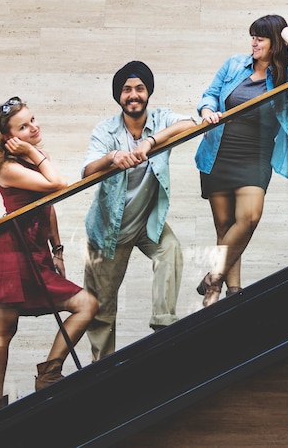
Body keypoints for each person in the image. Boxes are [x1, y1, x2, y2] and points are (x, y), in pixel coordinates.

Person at [0, 97, 98, 417]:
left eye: (33, 120)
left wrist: (58, 250)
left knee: (87, 305)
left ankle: (49, 373)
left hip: (35, 252)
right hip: (10, 254)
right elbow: (59, 185)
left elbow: (48, 203)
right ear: (7, 137)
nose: (33, 127)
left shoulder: (31, 163)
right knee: (2, 331)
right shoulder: (9, 168)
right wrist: (34, 153)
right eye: (23, 126)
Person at [195, 14, 288, 306]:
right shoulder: (235, 64)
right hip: (219, 152)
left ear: (274, 42)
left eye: (260, 38)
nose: (253, 43)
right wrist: (206, 112)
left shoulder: (286, 74)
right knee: (225, 226)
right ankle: (226, 293)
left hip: (256, 157)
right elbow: (210, 95)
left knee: (248, 218)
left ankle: (214, 275)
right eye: (253, 37)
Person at [82, 61, 196, 360]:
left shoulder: (160, 120)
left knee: (170, 251)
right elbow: (87, 171)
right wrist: (113, 156)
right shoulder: (106, 130)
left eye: (140, 89)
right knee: (101, 310)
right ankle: (102, 369)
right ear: (119, 96)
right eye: (127, 90)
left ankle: (164, 328)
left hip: (147, 222)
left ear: (148, 93)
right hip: (108, 232)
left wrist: (150, 141)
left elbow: (190, 123)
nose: (134, 95)